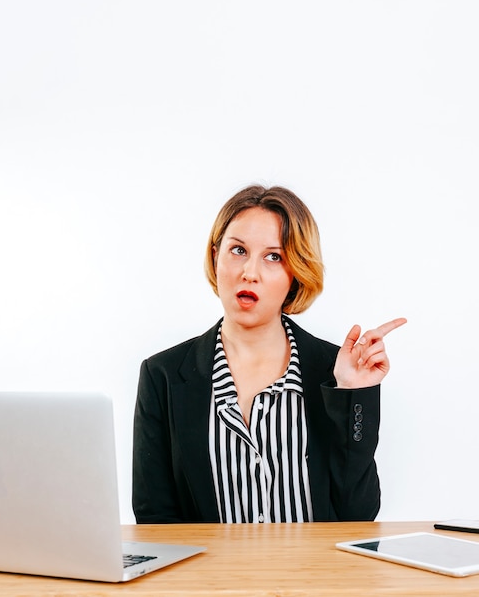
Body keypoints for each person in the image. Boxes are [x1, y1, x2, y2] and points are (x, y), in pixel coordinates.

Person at [132, 184, 406, 524]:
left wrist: (353, 396)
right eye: (237, 250)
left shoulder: (333, 371)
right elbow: (154, 517)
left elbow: (359, 514)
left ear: (296, 272)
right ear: (215, 255)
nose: (250, 272)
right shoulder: (164, 375)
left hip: (312, 576)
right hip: (213, 577)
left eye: (273, 257)